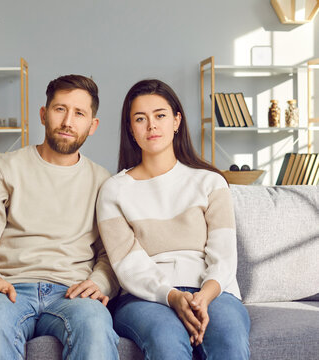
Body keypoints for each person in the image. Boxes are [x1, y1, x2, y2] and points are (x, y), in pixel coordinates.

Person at [0, 74, 120, 360]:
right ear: (43, 115)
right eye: (60, 109)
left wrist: (100, 282)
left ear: (92, 125)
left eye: (79, 113)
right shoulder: (5, 167)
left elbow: (112, 253)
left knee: (96, 325)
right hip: (9, 289)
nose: (68, 121)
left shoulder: (103, 181)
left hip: (72, 293)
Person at [96, 79, 250, 360]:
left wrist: (204, 295)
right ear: (130, 129)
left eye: (160, 115)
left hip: (215, 292)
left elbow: (224, 254)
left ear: (177, 120)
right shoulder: (113, 190)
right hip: (145, 298)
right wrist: (171, 296)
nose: (151, 126)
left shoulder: (210, 182)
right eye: (140, 119)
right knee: (166, 339)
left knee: (228, 339)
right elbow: (127, 264)